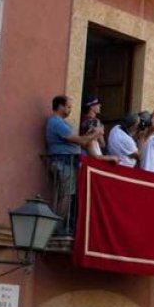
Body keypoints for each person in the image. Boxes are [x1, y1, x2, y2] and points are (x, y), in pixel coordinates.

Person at [45, 95, 101, 235]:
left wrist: (89, 135)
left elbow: (82, 140)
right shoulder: (56, 122)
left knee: (67, 194)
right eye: (68, 107)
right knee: (67, 194)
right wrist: (95, 134)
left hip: (66, 162)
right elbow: (81, 141)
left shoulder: (60, 122)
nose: (70, 110)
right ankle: (56, 226)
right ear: (60, 106)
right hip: (63, 162)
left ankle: (60, 225)